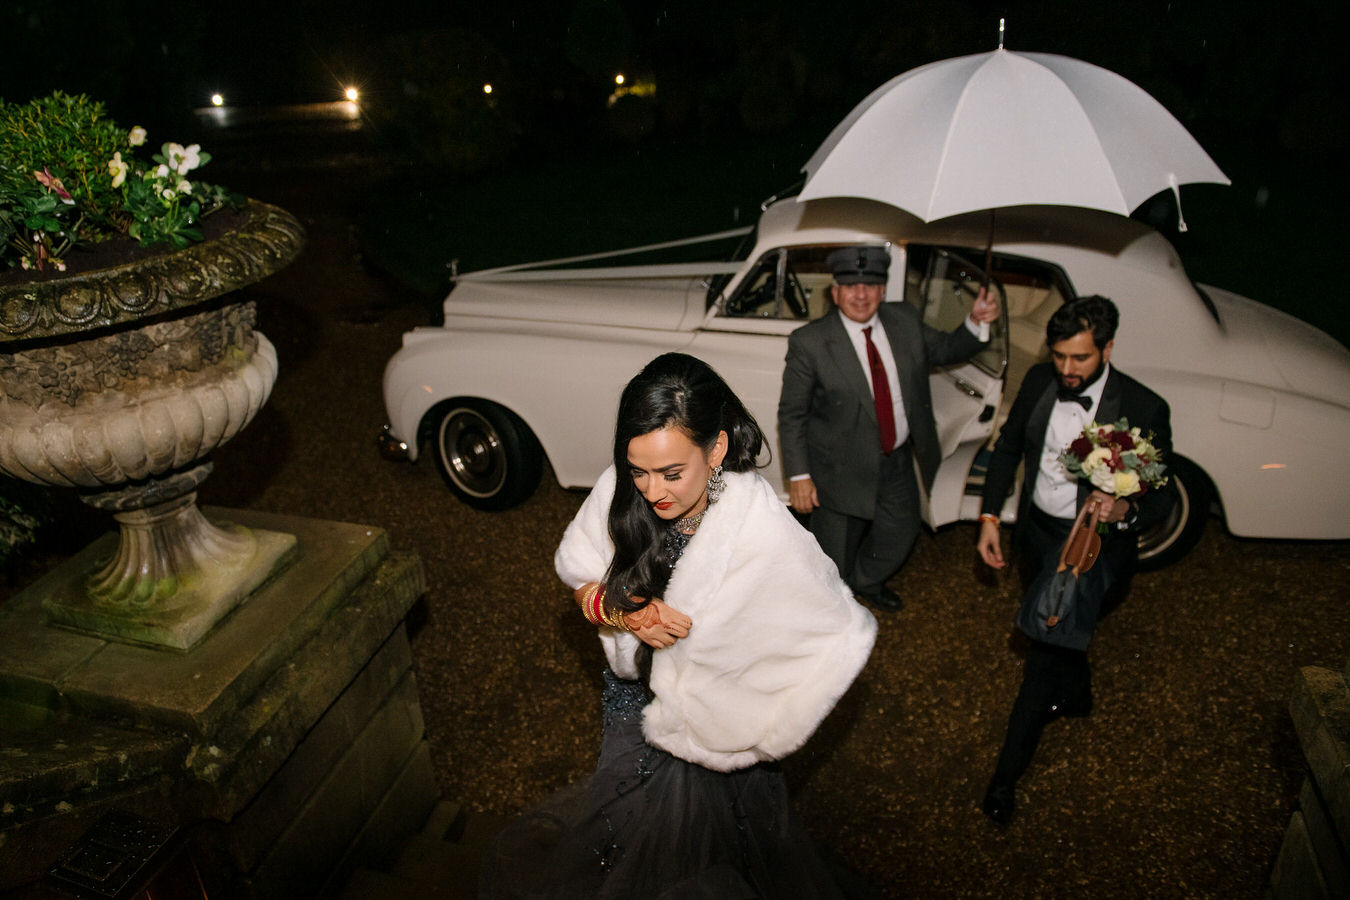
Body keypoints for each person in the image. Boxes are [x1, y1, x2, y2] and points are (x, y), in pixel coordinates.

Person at [480, 352, 877, 898]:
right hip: (628, 707)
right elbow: (579, 579)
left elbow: (833, 627)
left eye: (672, 472)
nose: (652, 490)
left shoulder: (761, 528)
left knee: (718, 856)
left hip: (716, 740)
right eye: (638, 470)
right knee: (624, 846)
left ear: (716, 448)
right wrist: (621, 613)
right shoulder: (616, 490)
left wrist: (753, 707)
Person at [975, 295, 1177, 824]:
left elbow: (1163, 500)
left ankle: (1003, 779)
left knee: (1042, 653)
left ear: (1108, 348)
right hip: (1035, 537)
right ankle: (1080, 694)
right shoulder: (1041, 380)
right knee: (1060, 635)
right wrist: (991, 518)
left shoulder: (1144, 407)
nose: (1065, 370)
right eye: (1059, 356)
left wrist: (1124, 507)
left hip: (1092, 553)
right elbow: (1009, 448)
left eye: (1080, 359)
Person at [778, 245, 1000, 612]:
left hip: (895, 459)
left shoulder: (904, 321)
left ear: (883, 291)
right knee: (833, 556)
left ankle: (867, 581)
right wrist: (799, 475)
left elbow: (946, 349)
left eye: (870, 284)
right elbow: (792, 415)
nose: (861, 294)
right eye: (850, 285)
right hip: (838, 470)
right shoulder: (811, 342)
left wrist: (976, 321)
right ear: (835, 292)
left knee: (900, 530)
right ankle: (833, 612)